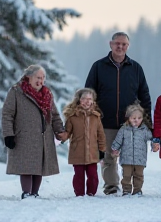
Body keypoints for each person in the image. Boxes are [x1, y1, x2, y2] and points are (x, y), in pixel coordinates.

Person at [85, 32, 152, 195]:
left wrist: (147, 121)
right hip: (105, 121)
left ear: (128, 46)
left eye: (124, 44)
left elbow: (144, 95)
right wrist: (90, 116)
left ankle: (132, 187)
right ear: (111, 44)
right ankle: (112, 187)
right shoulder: (98, 66)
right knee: (109, 157)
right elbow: (88, 93)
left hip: (130, 123)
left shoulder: (135, 68)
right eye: (117, 43)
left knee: (130, 157)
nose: (120, 47)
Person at [1, 64, 66, 199]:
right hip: (23, 136)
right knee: (26, 166)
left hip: (43, 137)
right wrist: (8, 135)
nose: (40, 81)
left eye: (43, 78)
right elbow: (7, 114)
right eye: (38, 77)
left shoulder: (47, 94)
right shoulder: (16, 92)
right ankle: (26, 193)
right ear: (28, 77)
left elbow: (54, 115)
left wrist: (60, 132)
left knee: (39, 166)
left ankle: (35, 193)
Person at [61, 88, 106, 197]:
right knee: (79, 175)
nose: (87, 101)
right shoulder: (72, 117)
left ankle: (91, 193)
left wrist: (102, 150)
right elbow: (67, 132)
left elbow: (101, 135)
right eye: (84, 98)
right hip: (78, 152)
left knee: (93, 175)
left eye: (89, 99)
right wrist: (61, 137)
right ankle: (79, 193)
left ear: (93, 101)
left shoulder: (96, 117)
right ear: (78, 100)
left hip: (92, 152)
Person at [111, 103, 153, 196]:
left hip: (140, 158)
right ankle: (126, 190)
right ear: (128, 118)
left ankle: (137, 190)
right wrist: (115, 148)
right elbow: (118, 140)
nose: (136, 120)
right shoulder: (124, 129)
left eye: (139, 118)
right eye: (134, 118)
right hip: (126, 158)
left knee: (139, 175)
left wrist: (155, 144)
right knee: (126, 175)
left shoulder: (144, 129)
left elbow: (151, 138)